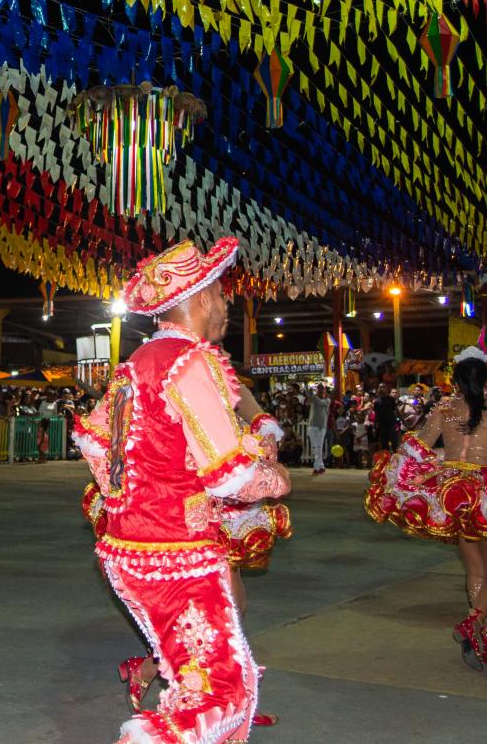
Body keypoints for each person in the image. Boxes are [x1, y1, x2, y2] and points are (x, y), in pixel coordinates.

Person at [74, 237, 290, 743]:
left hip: (132, 547)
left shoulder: (136, 363)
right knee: (220, 696)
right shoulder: (191, 362)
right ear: (197, 300)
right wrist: (275, 479)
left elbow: (90, 439)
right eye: (218, 291)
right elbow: (230, 475)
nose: (225, 302)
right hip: (176, 554)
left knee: (213, 681)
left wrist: (137, 493)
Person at [366, 348, 487, 668]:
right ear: (485, 377)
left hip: (452, 494)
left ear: (457, 379)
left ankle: (486, 640)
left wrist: (400, 475)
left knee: (476, 571)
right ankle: (473, 625)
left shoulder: (444, 410)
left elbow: (416, 447)